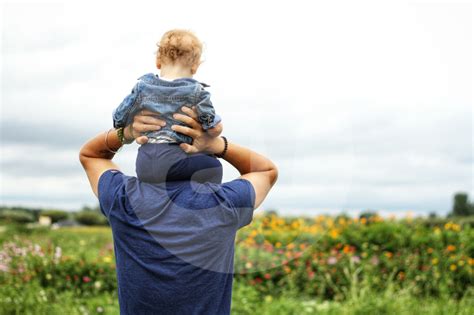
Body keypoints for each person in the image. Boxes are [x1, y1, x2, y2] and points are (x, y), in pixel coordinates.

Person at [79, 107, 278, 314]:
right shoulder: (223, 203)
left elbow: (91, 156)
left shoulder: (124, 199)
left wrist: (126, 133)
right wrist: (217, 145)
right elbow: (264, 170)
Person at [112, 29, 223, 184]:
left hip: (145, 163)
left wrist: (126, 128)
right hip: (176, 160)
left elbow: (119, 117)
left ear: (158, 61)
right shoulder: (197, 92)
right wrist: (214, 128)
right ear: (195, 67)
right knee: (213, 166)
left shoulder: (142, 87)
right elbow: (213, 128)